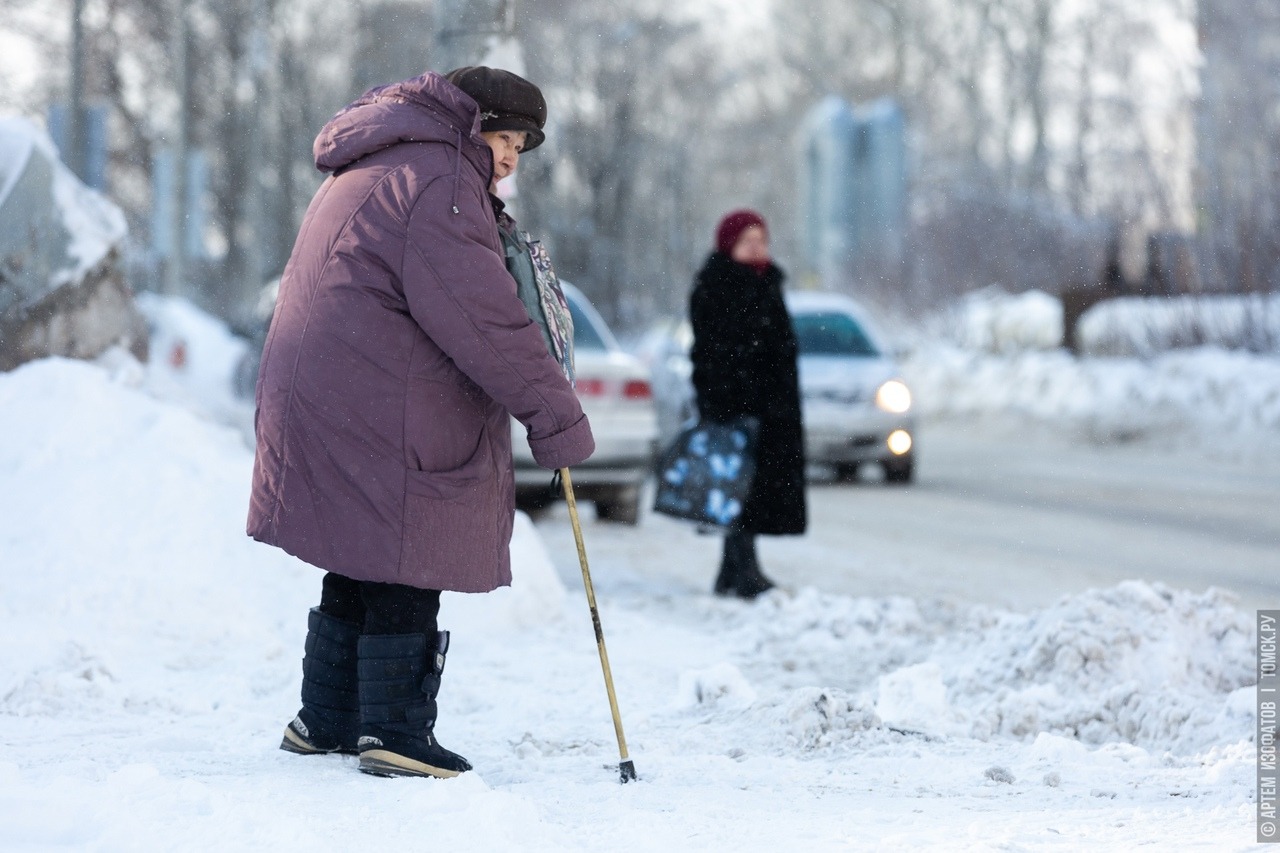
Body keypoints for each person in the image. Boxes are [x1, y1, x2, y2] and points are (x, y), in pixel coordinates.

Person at [247, 67, 594, 780]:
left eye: (521, 147)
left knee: (362, 548)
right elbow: (486, 322)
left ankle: (329, 718)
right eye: (502, 138)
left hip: (332, 388)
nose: (508, 159)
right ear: (472, 125)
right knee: (410, 543)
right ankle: (395, 729)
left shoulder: (385, 159)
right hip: (378, 395)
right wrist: (556, 414)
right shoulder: (440, 183)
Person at [688, 209, 806, 599]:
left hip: (770, 407)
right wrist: (727, 397)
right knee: (739, 487)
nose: (756, 247)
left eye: (761, 239)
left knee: (752, 489)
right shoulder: (716, 285)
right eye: (747, 240)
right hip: (735, 405)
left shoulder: (769, 282)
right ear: (729, 246)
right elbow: (711, 352)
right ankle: (744, 570)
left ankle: (731, 570)